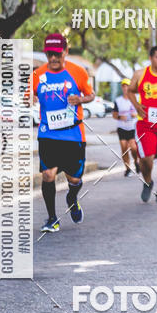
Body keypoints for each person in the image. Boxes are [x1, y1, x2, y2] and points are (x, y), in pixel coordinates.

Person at [32, 33, 94, 232]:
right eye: (49, 54)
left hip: (73, 134)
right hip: (47, 133)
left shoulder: (78, 72)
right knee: (48, 174)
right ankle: (52, 218)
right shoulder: (37, 75)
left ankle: (72, 198)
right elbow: (28, 94)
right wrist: (28, 100)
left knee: (74, 178)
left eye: (57, 54)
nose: (53, 58)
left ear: (65, 52)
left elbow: (91, 94)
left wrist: (81, 100)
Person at [127, 46, 157, 204]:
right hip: (146, 123)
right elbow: (130, 90)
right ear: (151, 58)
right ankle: (148, 182)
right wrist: (136, 106)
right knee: (146, 158)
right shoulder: (140, 74)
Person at [112, 78, 140, 176]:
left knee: (133, 147)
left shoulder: (136, 98)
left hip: (132, 126)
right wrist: (120, 117)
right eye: (123, 86)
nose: (125, 88)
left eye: (127, 86)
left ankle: (136, 161)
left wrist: (135, 115)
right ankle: (127, 169)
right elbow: (114, 115)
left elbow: (142, 112)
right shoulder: (118, 100)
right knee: (124, 148)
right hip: (122, 127)